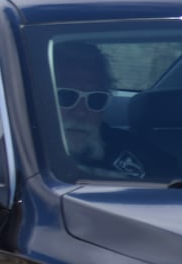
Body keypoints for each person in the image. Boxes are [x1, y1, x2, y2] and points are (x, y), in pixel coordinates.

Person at [52, 40, 170, 179]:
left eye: (96, 99)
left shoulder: (146, 157)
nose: (80, 112)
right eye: (66, 96)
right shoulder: (23, 155)